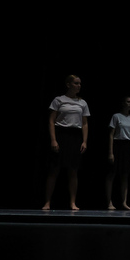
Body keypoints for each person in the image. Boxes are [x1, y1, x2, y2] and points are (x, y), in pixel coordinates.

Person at [42, 75, 90, 210]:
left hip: (75, 136)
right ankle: (47, 202)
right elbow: (51, 121)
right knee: (54, 169)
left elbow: (85, 124)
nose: (79, 86)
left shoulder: (83, 103)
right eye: (76, 83)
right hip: (61, 134)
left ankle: (73, 202)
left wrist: (84, 141)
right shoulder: (59, 100)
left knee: (73, 170)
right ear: (68, 84)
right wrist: (53, 139)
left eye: (80, 83)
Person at [106, 96, 130, 210]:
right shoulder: (116, 116)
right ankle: (109, 201)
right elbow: (111, 134)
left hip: (128, 146)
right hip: (117, 145)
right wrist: (111, 152)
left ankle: (124, 202)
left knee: (125, 175)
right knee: (112, 174)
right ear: (123, 103)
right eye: (128, 102)